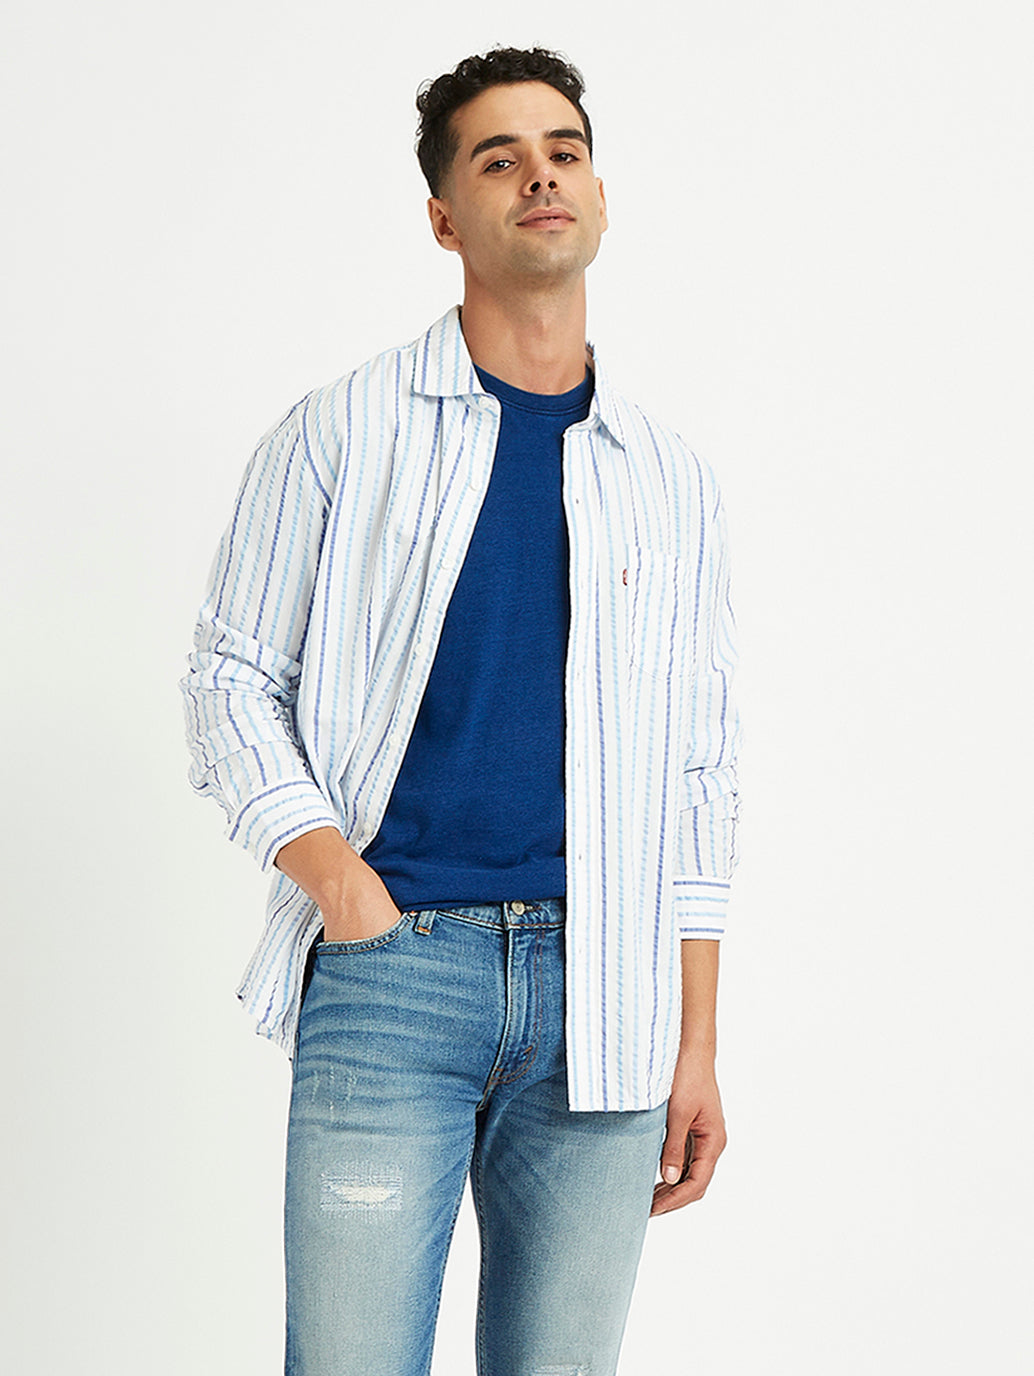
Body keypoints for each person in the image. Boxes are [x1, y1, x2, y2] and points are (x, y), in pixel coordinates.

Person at [182, 45, 740, 1376]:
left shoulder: (668, 477)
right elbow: (227, 680)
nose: (540, 176)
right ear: (444, 218)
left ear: (598, 195)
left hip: (605, 995)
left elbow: (700, 770)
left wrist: (695, 1041)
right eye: (500, 159)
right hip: (393, 977)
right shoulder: (342, 431)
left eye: (563, 152)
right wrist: (342, 887)